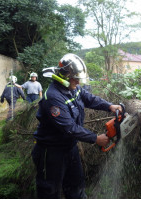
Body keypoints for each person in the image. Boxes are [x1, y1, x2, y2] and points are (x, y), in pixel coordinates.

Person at [31, 53, 122, 199]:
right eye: (76, 79)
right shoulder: (53, 97)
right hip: (51, 151)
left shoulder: (74, 88)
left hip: (70, 148)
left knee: (76, 187)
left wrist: (109, 106)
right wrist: (95, 138)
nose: (78, 83)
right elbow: (69, 127)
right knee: (49, 191)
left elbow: (89, 98)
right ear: (66, 76)